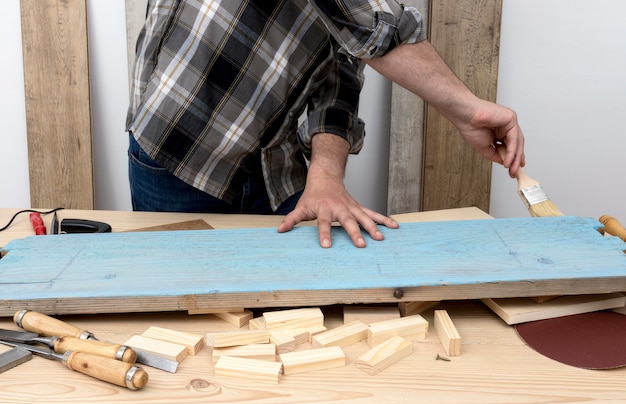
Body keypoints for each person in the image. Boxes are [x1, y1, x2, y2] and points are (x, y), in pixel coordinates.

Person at [126, 1, 525, 249]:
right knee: (179, 314)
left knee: (283, 320)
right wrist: (468, 110)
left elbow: (342, 65)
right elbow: (367, 22)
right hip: (182, 148)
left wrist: (326, 173)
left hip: (274, 166)